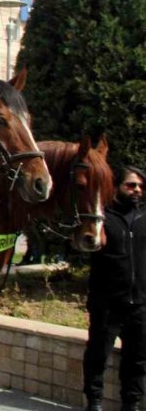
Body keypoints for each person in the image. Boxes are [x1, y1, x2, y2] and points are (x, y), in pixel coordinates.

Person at [83, 166, 146, 411]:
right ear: (117, 187)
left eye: (140, 186)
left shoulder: (143, 220)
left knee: (137, 360)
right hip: (107, 304)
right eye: (131, 185)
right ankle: (94, 401)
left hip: (139, 305)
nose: (136, 190)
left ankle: (131, 403)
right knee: (98, 356)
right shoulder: (102, 219)